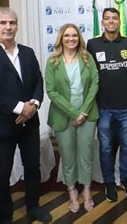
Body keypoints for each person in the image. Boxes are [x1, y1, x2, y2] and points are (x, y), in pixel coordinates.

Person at [0, 7, 51, 223]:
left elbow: (37, 81)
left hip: (29, 123)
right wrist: (19, 107)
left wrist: (33, 104)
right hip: (0, 125)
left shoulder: (27, 52)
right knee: (2, 173)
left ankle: (33, 206)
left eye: (12, 23)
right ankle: (5, 216)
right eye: (3, 23)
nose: (8, 27)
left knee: (33, 167)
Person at [86, 7, 127, 201]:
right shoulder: (92, 44)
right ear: (102, 22)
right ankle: (109, 182)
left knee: (126, 146)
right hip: (103, 106)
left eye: (114, 18)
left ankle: (125, 180)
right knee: (106, 147)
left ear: (119, 22)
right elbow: (86, 73)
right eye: (107, 18)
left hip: (126, 106)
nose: (111, 21)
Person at [45, 24, 99, 212]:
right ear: (61, 38)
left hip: (88, 115)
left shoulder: (87, 58)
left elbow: (95, 84)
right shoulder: (53, 61)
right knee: (67, 156)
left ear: (79, 38)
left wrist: (83, 112)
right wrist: (74, 113)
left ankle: (86, 191)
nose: (71, 39)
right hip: (62, 117)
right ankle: (71, 191)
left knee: (86, 156)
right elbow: (51, 91)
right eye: (67, 35)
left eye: (74, 35)